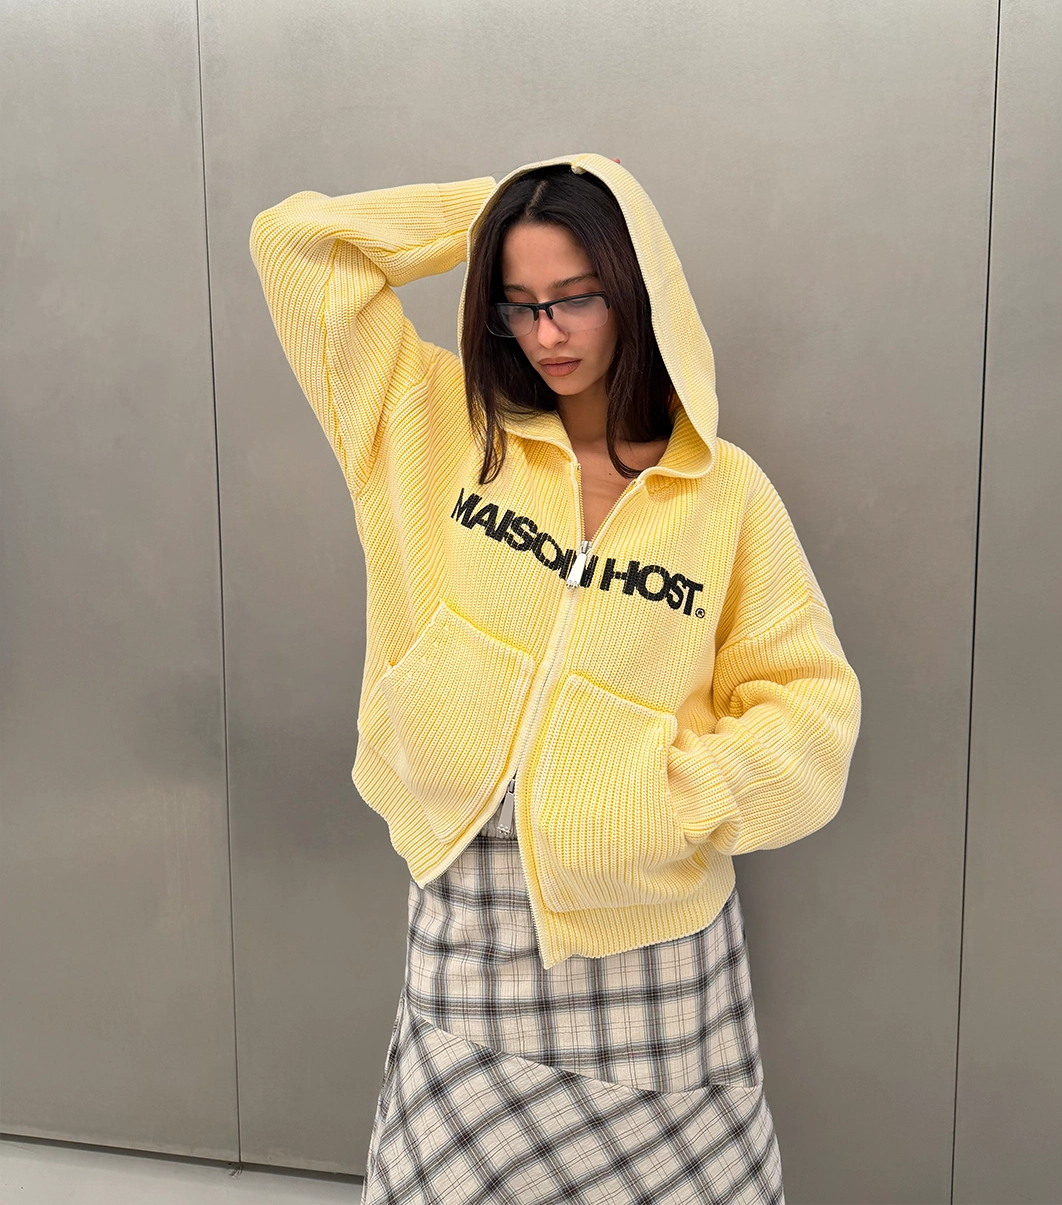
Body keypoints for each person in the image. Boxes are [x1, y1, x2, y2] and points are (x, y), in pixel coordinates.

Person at [250, 153, 861, 1205]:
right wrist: (497, 210)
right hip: (471, 910)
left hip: (648, 928)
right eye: (519, 303)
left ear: (635, 289)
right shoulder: (430, 426)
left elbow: (812, 707)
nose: (547, 334)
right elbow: (297, 247)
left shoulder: (723, 495)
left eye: (576, 297)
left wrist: (673, 799)